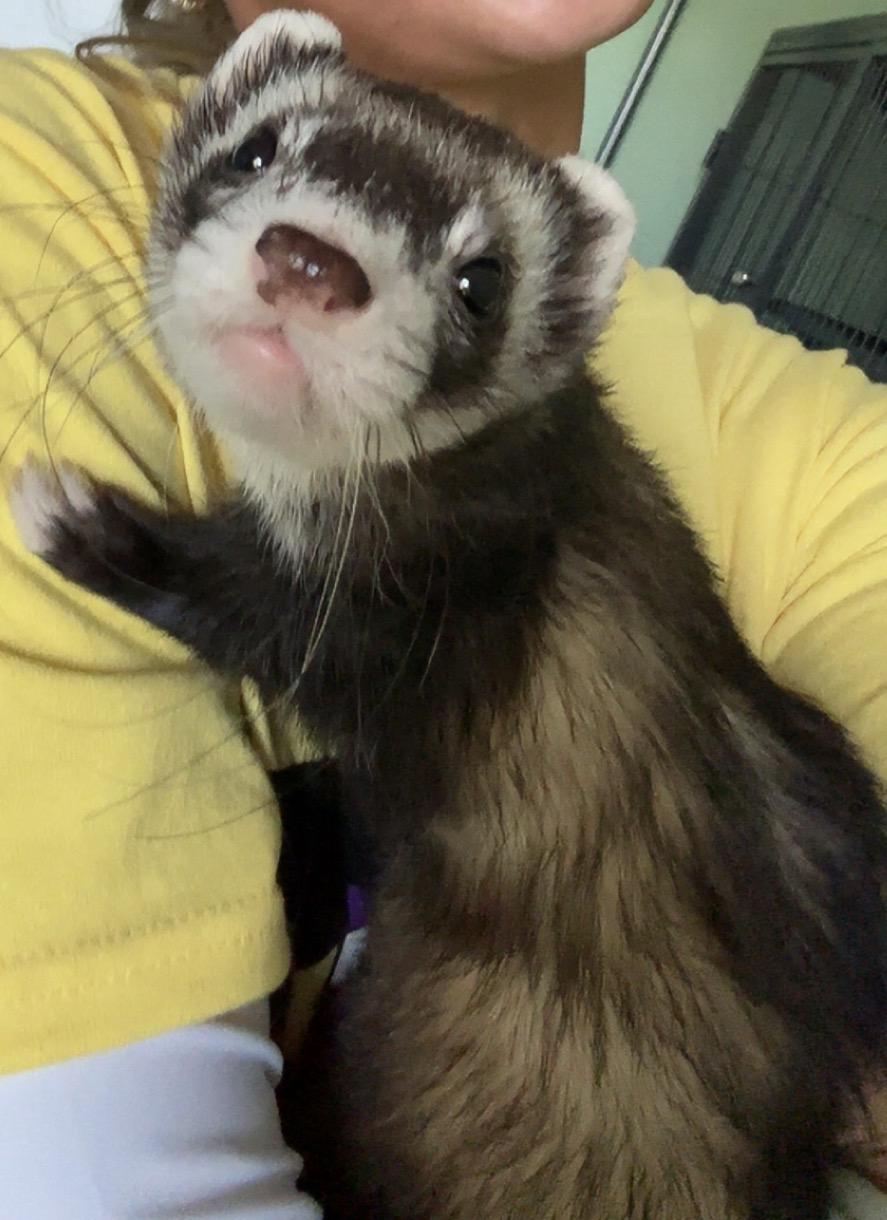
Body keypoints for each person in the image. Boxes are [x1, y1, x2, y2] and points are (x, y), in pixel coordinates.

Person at [0, 1, 884, 1215]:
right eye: (257, 161)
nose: (312, 268)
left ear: (555, 324)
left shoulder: (796, 434)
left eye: (473, 285)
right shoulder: (40, 189)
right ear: (213, 123)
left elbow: (352, 643)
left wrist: (147, 566)